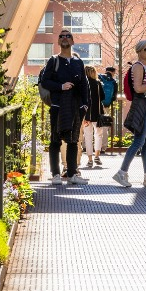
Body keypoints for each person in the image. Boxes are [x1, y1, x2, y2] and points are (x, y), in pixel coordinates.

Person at [37, 30, 89, 186]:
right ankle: (55, 174)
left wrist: (85, 104)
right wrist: (61, 86)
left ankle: (72, 174)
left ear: (72, 41)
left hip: (75, 107)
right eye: (61, 36)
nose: (65, 38)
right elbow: (45, 81)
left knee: (73, 140)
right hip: (58, 105)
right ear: (58, 42)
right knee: (55, 140)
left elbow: (84, 85)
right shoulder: (53, 60)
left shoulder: (78, 62)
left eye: (68, 36)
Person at [112, 40, 146, 188]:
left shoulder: (145, 67)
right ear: (139, 51)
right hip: (141, 106)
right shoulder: (138, 66)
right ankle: (121, 173)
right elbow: (138, 88)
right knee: (139, 142)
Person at [80, 65, 107, 168]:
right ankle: (97, 156)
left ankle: (90, 159)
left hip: (86, 114)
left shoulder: (83, 84)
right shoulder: (98, 83)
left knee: (88, 136)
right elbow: (103, 97)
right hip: (97, 114)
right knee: (98, 135)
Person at [98, 65, 118, 153]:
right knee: (104, 126)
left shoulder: (99, 77)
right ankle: (103, 147)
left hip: (96, 105)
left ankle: (86, 146)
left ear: (106, 71)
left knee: (91, 125)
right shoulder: (114, 82)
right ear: (113, 72)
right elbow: (114, 97)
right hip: (106, 106)